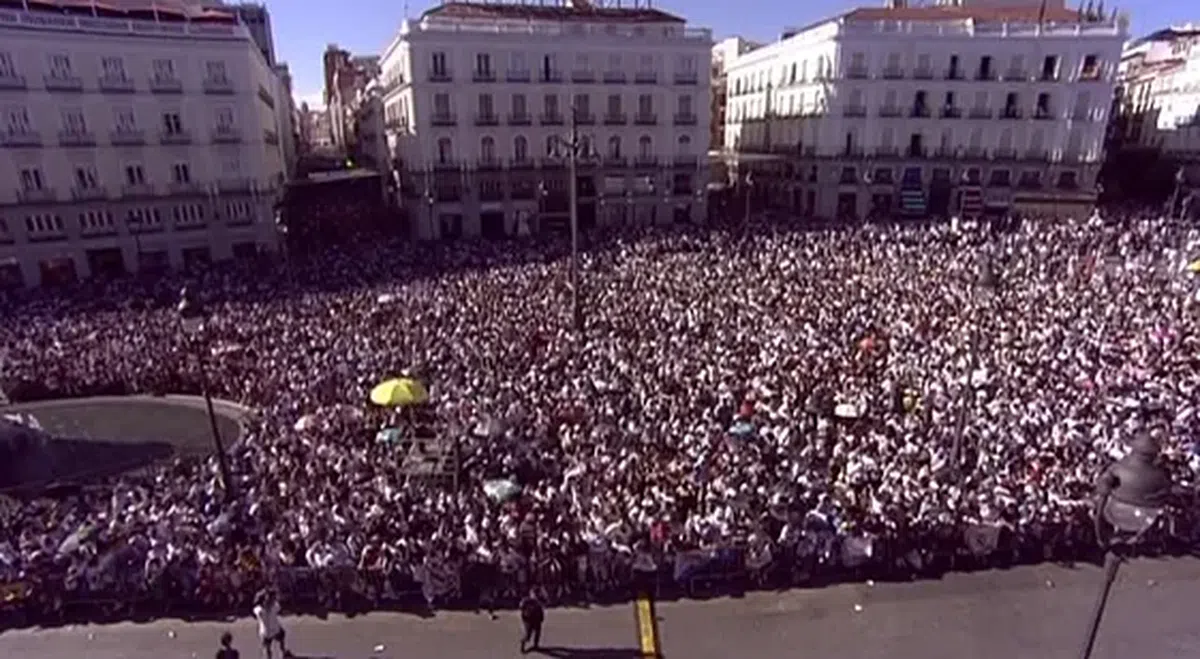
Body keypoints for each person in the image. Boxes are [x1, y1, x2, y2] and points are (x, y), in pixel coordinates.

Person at [253, 588, 289, 659]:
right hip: (275, 629)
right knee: (282, 636)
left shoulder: (259, 610)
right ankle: (283, 651)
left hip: (266, 632)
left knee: (267, 647)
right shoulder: (275, 606)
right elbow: (278, 608)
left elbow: (256, 609)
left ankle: (269, 657)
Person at [519, 588, 545, 654]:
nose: (535, 596)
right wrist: (525, 614)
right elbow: (521, 607)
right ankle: (523, 644)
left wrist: (541, 618)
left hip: (537, 619)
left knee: (538, 633)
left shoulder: (539, 601)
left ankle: (536, 646)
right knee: (527, 636)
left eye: (536, 594)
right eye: (534, 594)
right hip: (528, 620)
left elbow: (541, 610)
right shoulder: (526, 601)